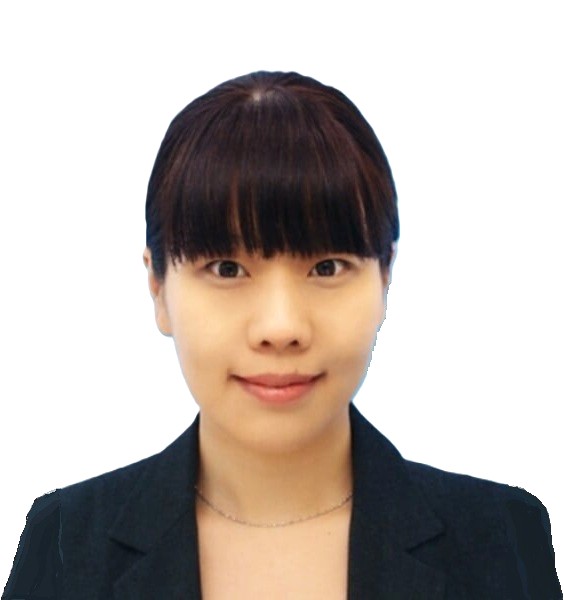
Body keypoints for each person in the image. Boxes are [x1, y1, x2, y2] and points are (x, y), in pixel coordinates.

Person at [2, 71, 561, 599]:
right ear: (158, 287)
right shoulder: (63, 544)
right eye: (227, 269)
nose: (281, 328)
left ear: (385, 277)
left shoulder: (504, 539)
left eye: (326, 267)